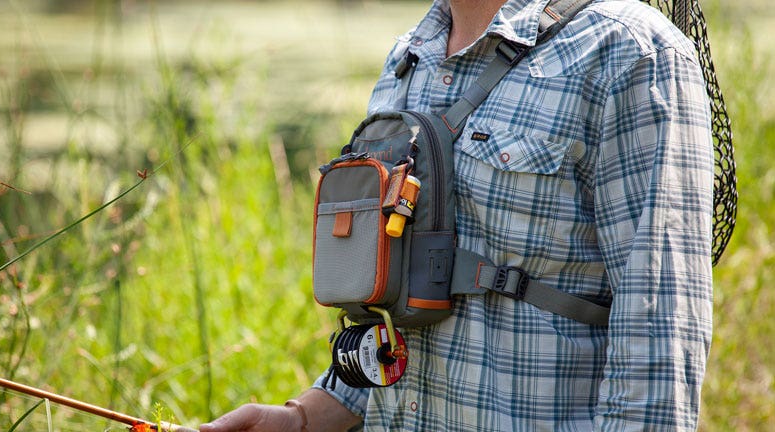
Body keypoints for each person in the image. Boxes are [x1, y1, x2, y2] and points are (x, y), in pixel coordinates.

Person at [200, 0, 714, 430]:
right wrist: (304, 418)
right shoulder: (409, 55)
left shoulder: (631, 51)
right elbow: (401, 305)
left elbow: (660, 331)